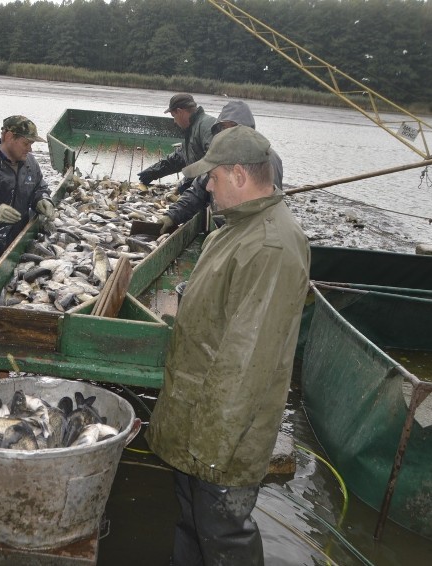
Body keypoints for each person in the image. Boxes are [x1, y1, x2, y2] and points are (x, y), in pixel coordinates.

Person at [146, 126, 310, 565]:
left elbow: (247, 362)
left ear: (239, 174)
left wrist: (212, 452)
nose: (206, 186)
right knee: (192, 526)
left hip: (220, 440)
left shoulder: (271, 245)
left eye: (212, 177)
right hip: (194, 425)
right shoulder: (237, 228)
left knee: (223, 538)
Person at [158, 100, 284, 234]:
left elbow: (264, 206)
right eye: (223, 128)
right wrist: (171, 216)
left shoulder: (266, 159)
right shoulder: (222, 156)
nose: (227, 132)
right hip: (226, 227)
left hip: (251, 231)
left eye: (233, 127)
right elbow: (198, 191)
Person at [0, 115, 56, 274]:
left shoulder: (30, 163)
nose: (30, 149)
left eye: (32, 144)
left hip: (18, 243)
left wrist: (42, 198)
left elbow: (39, 186)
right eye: (26, 143)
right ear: (9, 137)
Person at [137, 93, 217, 186]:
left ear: (180, 111)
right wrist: (153, 171)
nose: (174, 121)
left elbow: (215, 162)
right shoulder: (193, 127)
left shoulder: (207, 126)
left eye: (173, 116)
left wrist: (190, 184)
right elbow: (179, 157)